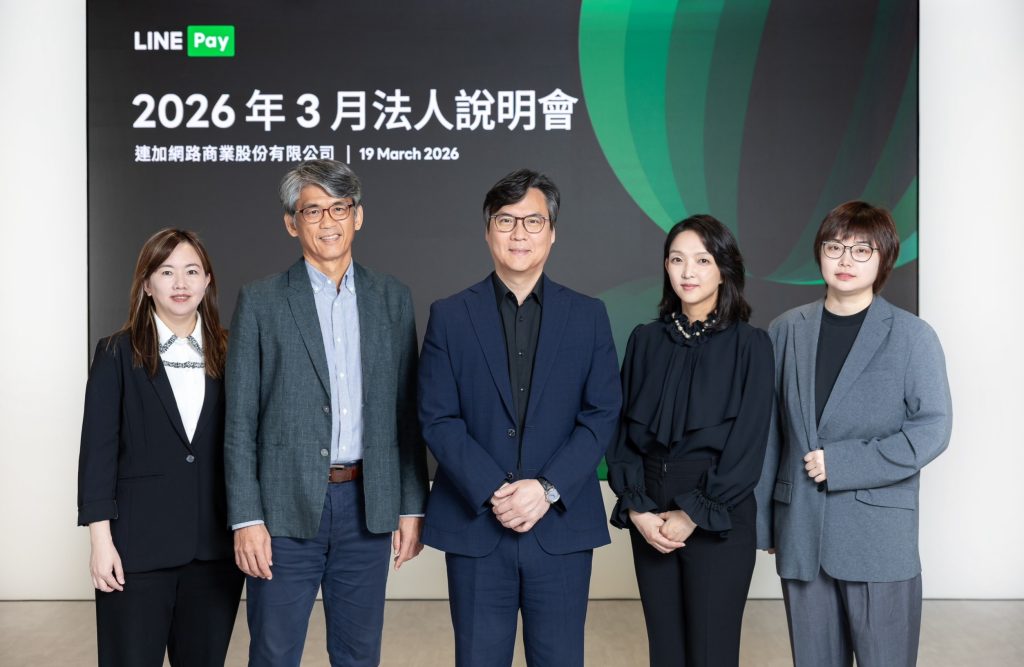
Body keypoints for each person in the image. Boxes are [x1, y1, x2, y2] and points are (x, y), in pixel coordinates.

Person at [225, 159, 429, 667]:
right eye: (313, 210)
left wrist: (411, 506)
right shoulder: (261, 301)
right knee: (273, 654)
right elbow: (239, 421)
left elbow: (406, 413)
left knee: (359, 655)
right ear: (291, 223)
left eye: (340, 208)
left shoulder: (392, 298)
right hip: (282, 509)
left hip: (366, 505)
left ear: (358, 216)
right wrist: (247, 518)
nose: (328, 221)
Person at [418, 168, 621, 666]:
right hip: (477, 525)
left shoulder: (588, 315)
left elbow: (601, 413)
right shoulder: (450, 314)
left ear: (552, 232)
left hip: (560, 526)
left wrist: (545, 488)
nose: (519, 234)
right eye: (505, 221)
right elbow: (437, 416)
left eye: (533, 221)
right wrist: (495, 489)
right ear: (488, 231)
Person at [755, 201, 953, 667]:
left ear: (884, 259)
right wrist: (766, 522)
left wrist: (842, 463)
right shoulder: (786, 330)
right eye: (834, 247)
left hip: (878, 538)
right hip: (801, 530)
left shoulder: (913, 336)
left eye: (862, 250)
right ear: (819, 253)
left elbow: (933, 428)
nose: (845, 260)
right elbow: (769, 433)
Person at [606, 215, 774, 667]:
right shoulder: (644, 340)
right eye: (677, 259)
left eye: (702, 260)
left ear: (724, 269)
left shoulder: (751, 345)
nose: (688, 272)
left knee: (711, 653)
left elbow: (748, 446)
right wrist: (637, 509)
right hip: (650, 515)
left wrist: (693, 512)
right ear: (666, 266)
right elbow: (620, 434)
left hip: (719, 515)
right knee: (665, 653)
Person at [77, 229, 243, 666]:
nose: (180, 283)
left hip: (214, 550)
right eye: (166, 272)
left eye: (191, 271)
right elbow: (98, 452)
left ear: (207, 281)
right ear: (147, 283)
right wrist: (100, 542)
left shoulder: (233, 351)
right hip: (136, 550)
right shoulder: (116, 352)